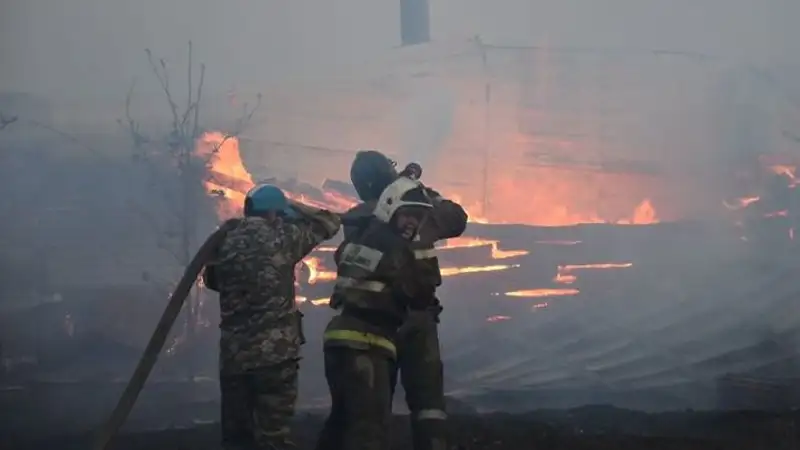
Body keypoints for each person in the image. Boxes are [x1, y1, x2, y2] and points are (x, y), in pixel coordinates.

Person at [345, 151, 468, 450]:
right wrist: (419, 190)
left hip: (373, 322)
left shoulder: (356, 218)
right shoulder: (419, 213)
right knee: (428, 404)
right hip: (416, 319)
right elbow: (457, 218)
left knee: (371, 406)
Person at [204, 184, 341, 450]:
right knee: (273, 436)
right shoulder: (283, 238)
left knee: (237, 437)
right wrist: (294, 203)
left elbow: (212, 281)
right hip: (275, 358)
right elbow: (330, 221)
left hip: (235, 357)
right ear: (274, 213)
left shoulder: (224, 241)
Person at [315, 177, 435, 450]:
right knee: (369, 430)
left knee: (341, 421)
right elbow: (418, 294)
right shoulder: (397, 248)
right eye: (408, 216)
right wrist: (423, 260)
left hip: (338, 340)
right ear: (390, 208)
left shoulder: (359, 238)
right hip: (367, 344)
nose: (413, 224)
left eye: (418, 219)